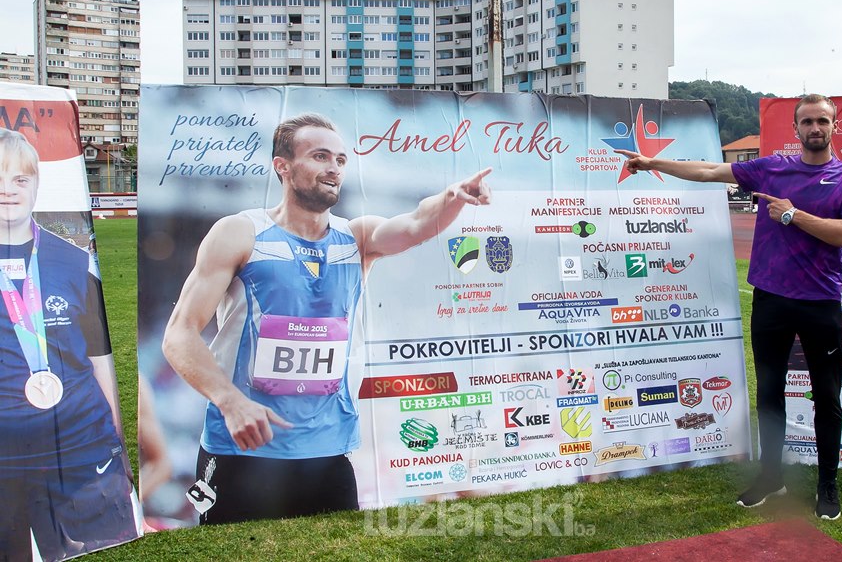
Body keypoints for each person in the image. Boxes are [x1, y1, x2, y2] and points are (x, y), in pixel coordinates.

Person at [162, 113, 491, 525]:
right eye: (320, 156)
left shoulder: (356, 239)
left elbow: (416, 224)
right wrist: (230, 401)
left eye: (340, 159)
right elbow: (179, 333)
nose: (334, 168)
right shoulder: (240, 233)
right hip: (243, 451)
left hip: (329, 455)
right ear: (282, 165)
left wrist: (452, 197)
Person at [617, 94, 842, 521]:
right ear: (796, 129)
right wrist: (653, 163)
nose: (815, 128)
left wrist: (794, 216)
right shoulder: (771, 168)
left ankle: (828, 484)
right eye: (807, 121)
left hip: (820, 302)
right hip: (770, 299)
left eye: (822, 121)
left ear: (833, 126)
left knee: (827, 397)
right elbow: (711, 170)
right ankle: (771, 475)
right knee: (769, 393)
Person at [0, 129, 139, 560]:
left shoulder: (74, 260)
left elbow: (99, 357)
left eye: (20, 179)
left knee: (95, 548)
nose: (8, 190)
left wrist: (116, 439)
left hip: (78, 439)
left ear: (37, 185)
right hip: (5, 453)